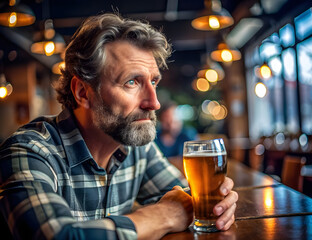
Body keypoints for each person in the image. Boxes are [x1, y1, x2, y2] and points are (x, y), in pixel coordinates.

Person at [0, 13, 238, 240]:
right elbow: (56, 236)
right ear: (83, 92)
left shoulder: (135, 145)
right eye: (132, 81)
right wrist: (162, 215)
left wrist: (215, 205)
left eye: (153, 81)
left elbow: (184, 199)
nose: (154, 102)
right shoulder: (29, 151)